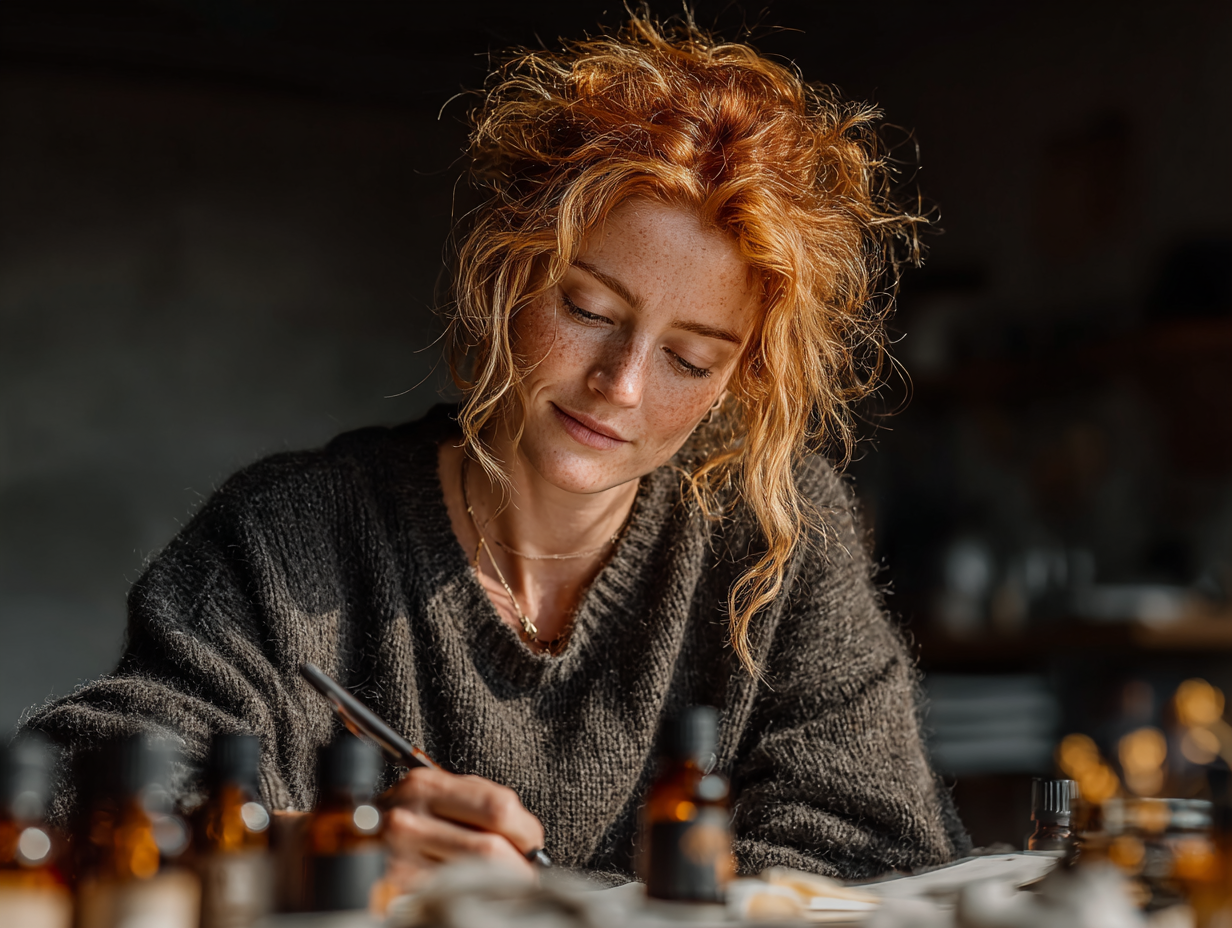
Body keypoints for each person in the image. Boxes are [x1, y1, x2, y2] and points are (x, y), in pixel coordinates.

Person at [23, 13, 969, 885]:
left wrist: (561, 904)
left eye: (689, 357)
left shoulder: (777, 542)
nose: (623, 384)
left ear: (741, 378)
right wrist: (326, 844)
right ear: (507, 275)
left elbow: (877, 847)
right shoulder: (289, 538)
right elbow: (78, 787)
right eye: (588, 310)